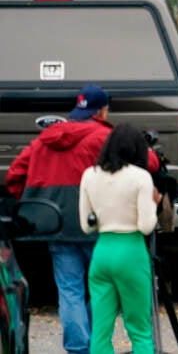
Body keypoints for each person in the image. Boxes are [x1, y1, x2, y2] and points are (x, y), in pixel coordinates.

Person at [5, 85, 158, 354]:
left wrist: (30, 202)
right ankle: (92, 337)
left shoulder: (45, 138)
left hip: (55, 222)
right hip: (96, 225)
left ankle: (79, 347)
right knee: (100, 290)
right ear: (102, 110)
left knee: (69, 289)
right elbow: (150, 162)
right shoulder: (103, 136)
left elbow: (15, 174)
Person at [79, 124, 160, 354]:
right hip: (131, 251)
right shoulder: (140, 178)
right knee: (140, 330)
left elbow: (86, 225)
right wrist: (154, 204)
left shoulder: (89, 175)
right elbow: (146, 226)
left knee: (101, 332)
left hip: (102, 252)